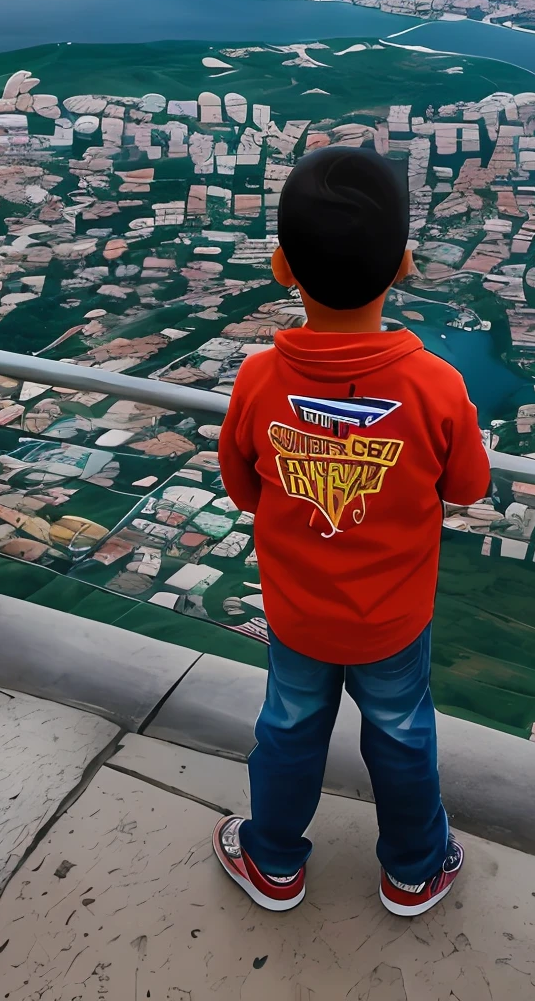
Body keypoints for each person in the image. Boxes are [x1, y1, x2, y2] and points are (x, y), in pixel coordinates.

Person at [213, 144, 493, 916]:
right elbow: (469, 486)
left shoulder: (259, 379)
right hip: (395, 619)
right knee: (402, 738)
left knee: (289, 731)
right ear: (403, 266)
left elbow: (241, 488)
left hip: (299, 613)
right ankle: (415, 869)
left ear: (281, 266)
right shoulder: (436, 385)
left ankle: (271, 862)